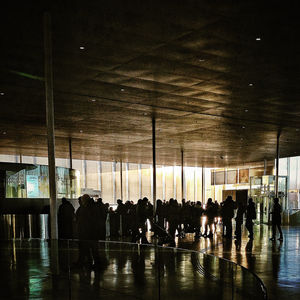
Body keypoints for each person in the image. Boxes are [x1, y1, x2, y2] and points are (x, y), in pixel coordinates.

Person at [76, 194, 100, 269]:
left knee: (89, 249)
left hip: (88, 232)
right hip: (92, 232)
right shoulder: (92, 206)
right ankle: (94, 263)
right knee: (93, 249)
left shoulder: (86, 208)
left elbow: (85, 221)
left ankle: (92, 263)